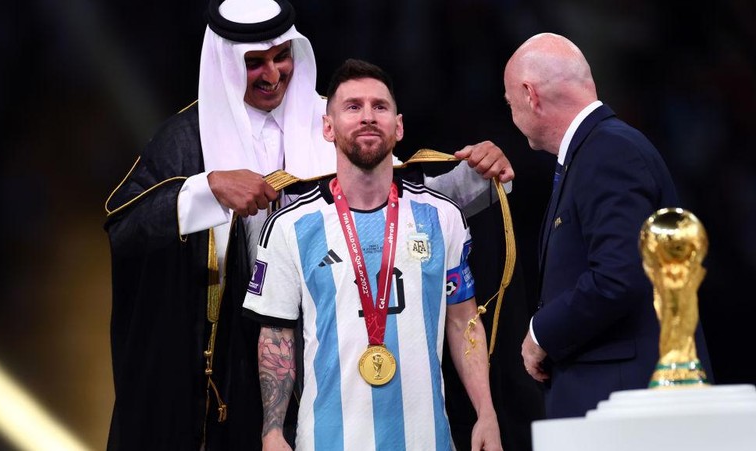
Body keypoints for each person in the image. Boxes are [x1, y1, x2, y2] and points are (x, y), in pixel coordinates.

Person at [103, 0, 514, 449]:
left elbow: (404, 197)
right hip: (228, 365)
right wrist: (211, 189)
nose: (273, 74)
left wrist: (480, 177)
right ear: (224, 61)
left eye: (282, 57)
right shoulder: (185, 139)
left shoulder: (335, 120)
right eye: (253, 63)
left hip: (327, 357)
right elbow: (125, 226)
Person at [243, 58, 503, 451]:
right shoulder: (289, 226)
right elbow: (276, 335)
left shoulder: (442, 216)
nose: (367, 117)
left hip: (426, 439)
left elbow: (464, 321)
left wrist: (486, 413)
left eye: (379, 107)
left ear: (398, 127)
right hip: (326, 441)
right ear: (327, 128)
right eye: (353, 107)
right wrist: (272, 431)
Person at [506, 32, 713, 419]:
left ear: (529, 95)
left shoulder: (607, 151)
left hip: (626, 405)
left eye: (509, 101)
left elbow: (619, 275)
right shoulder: (599, 149)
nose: (512, 113)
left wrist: (541, 333)